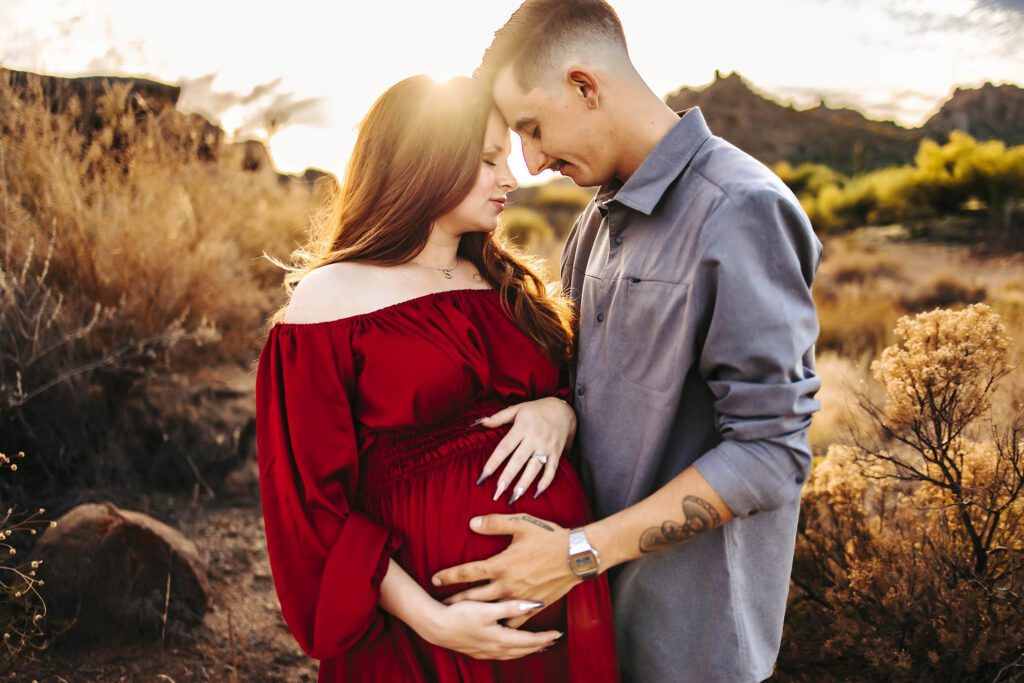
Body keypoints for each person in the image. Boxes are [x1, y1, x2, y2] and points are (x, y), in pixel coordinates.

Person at [431, 2, 824, 681]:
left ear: (585, 86)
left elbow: (771, 452)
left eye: (532, 127)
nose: (530, 159)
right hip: (592, 628)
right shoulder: (596, 219)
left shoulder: (739, 210)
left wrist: (577, 553)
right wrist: (557, 407)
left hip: (689, 647)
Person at [254, 73, 619, 682]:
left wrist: (558, 411)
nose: (511, 177)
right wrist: (431, 619)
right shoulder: (330, 300)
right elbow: (310, 501)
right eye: (486, 159)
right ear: (422, 159)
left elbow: (567, 387)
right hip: (429, 627)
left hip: (562, 596)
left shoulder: (503, 286)